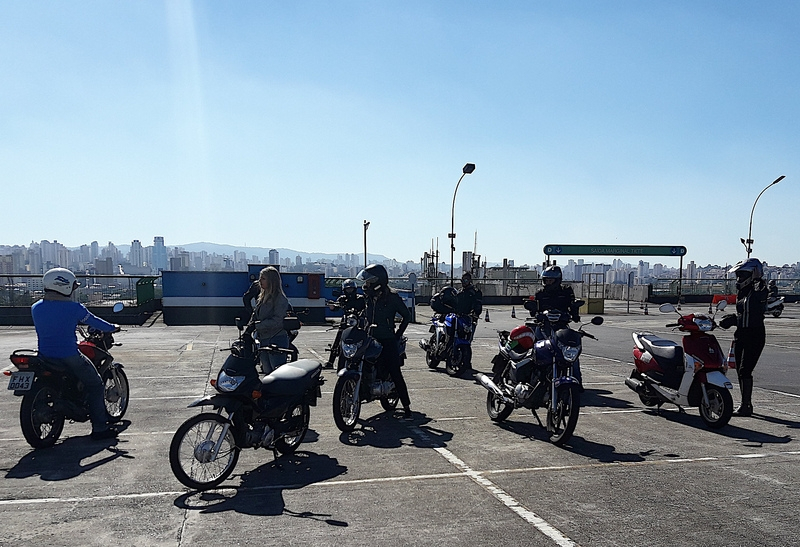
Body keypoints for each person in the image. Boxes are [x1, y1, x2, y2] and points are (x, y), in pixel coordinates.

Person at [31, 268, 120, 441]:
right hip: (69, 355)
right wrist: (112, 327)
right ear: (64, 286)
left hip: (44, 356)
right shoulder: (74, 308)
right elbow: (94, 321)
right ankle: (100, 429)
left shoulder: (36, 308)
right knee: (95, 385)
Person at [357, 264, 413, 418]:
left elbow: (406, 316)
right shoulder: (367, 297)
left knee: (395, 372)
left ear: (378, 282)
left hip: (387, 339)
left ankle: (406, 406)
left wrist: (397, 335)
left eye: (369, 282)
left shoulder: (393, 297)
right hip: (369, 338)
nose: (366, 285)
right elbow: (357, 308)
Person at [525, 265, 584, 390]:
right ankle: (532, 380)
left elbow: (572, 305)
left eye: (551, 280)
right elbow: (534, 309)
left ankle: (577, 382)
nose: (548, 282)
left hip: (562, 327)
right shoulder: (540, 293)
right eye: (546, 280)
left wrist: (575, 313)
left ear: (557, 280)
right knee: (535, 350)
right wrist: (535, 312)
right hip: (543, 326)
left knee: (572, 354)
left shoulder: (566, 291)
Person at [729, 258, 768, 417]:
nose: (739, 279)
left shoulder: (760, 290)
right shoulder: (742, 291)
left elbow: (754, 314)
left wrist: (734, 320)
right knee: (739, 370)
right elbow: (743, 313)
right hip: (741, 333)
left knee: (746, 370)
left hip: (755, 334)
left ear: (753, 274)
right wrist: (733, 319)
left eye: (743, 275)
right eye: (738, 275)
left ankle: (746, 406)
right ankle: (745, 404)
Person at [250, 266, 291, 374]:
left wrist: (258, 325)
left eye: (263, 278)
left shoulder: (280, 299)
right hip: (263, 339)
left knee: (277, 373)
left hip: (276, 339)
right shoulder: (262, 297)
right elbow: (255, 314)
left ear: (272, 281)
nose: (260, 281)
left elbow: (278, 321)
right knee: (267, 373)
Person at [324, 279, 366, 369]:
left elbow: (366, 308)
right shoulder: (342, 299)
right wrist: (333, 306)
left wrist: (362, 313)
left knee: (364, 339)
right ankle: (330, 362)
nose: (349, 291)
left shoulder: (360, 298)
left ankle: (364, 360)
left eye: (351, 289)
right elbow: (336, 307)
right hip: (346, 322)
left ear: (354, 289)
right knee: (338, 340)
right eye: (347, 289)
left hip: (358, 322)